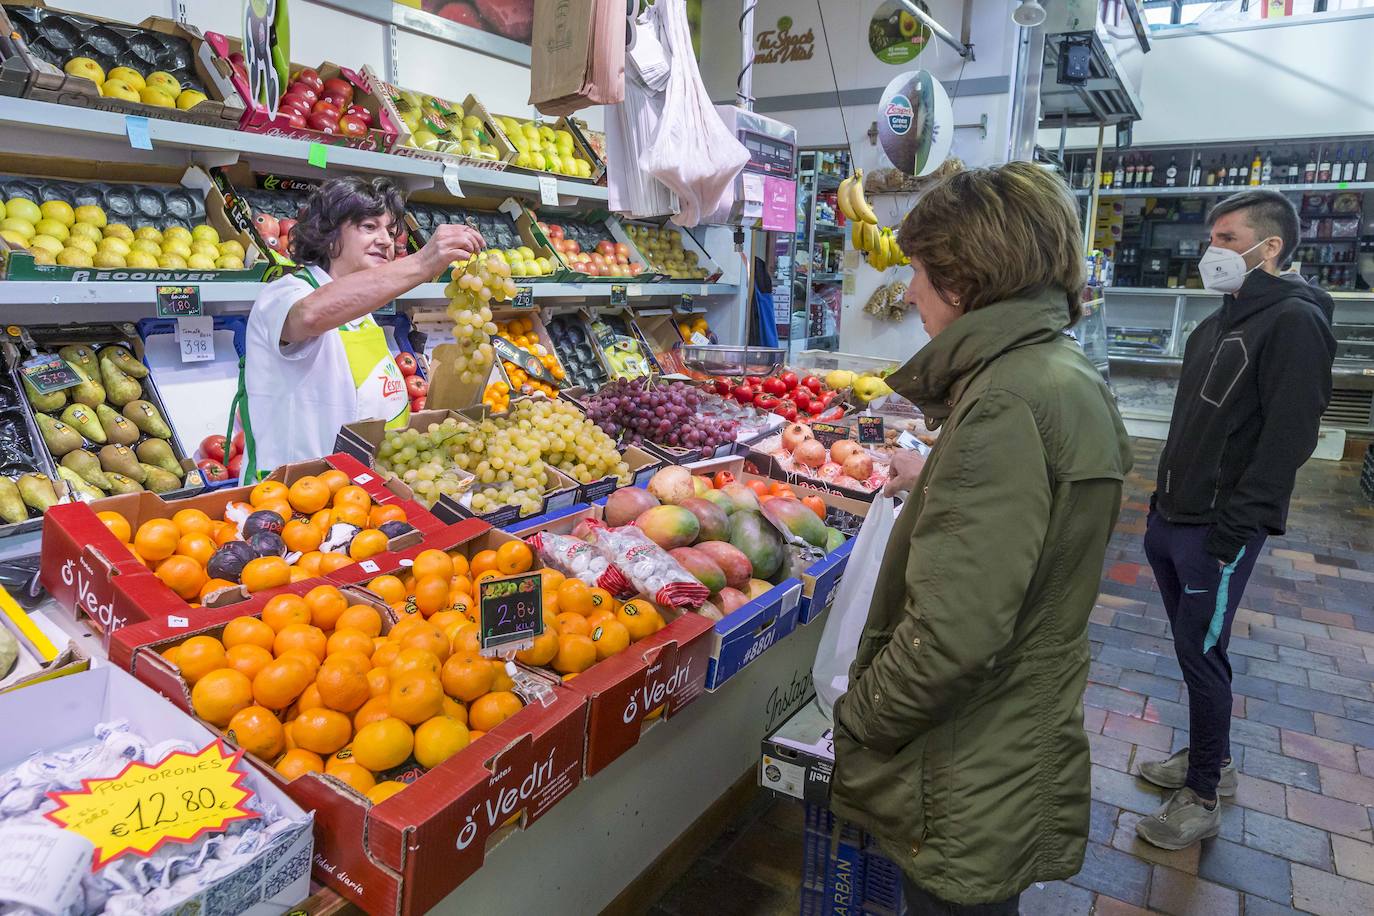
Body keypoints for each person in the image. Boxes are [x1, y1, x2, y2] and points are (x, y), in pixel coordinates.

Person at [830, 162, 1132, 914]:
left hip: (964, 759)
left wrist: (861, 717)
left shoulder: (1002, 402)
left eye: (923, 274)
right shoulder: (1059, 373)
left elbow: (953, 637)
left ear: (964, 284)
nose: (911, 294)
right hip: (1013, 732)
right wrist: (936, 473)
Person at [1136, 190, 1335, 850]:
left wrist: (1233, 531)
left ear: (1268, 247)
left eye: (1226, 238)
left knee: (1203, 655)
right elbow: (1194, 424)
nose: (1210, 251)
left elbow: (1288, 440)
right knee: (1191, 648)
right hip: (1173, 515)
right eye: (1211, 238)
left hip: (1217, 531)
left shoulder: (1294, 323)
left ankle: (1201, 794)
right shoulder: (1217, 322)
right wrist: (1158, 503)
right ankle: (1210, 761)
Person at [241, 177, 484, 479]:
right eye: (369, 227)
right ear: (328, 236)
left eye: (391, 231)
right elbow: (309, 316)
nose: (386, 240)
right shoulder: (283, 293)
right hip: (293, 498)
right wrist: (423, 262)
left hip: (356, 493)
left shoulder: (364, 313)